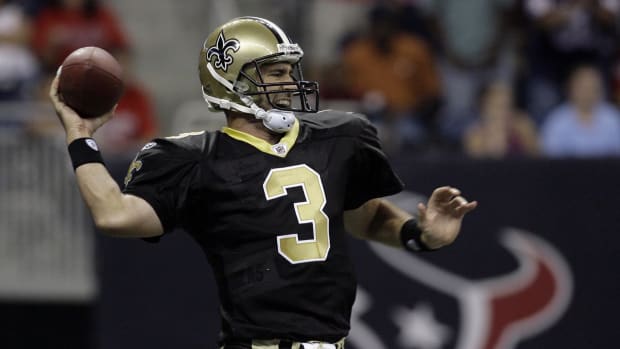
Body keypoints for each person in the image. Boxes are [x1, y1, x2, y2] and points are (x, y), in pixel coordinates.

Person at [49, 17, 477, 349]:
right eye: (274, 74)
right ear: (228, 81)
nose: (289, 84)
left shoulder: (339, 135)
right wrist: (80, 135)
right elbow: (114, 214)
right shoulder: (194, 157)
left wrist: (420, 235)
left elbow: (361, 216)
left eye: (290, 71)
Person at [540, 64, 620, 157]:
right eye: (583, 87)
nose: (587, 92)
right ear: (571, 89)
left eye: (592, 87)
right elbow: (549, 157)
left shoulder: (613, 118)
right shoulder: (557, 120)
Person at [463, 81, 539, 158]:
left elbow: (538, 156)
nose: (504, 111)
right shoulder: (475, 136)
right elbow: (475, 166)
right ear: (484, 108)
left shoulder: (523, 125)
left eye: (508, 105)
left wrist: (523, 137)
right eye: (498, 106)